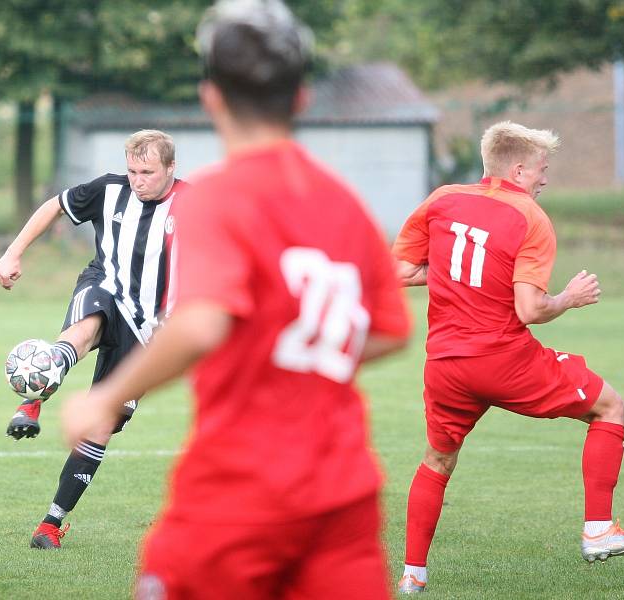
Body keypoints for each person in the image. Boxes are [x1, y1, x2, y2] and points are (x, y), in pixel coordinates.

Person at [61, 0, 412, 598]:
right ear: (302, 99)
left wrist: (106, 399)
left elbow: (201, 324)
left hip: (239, 486)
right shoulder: (343, 200)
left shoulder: (218, 197)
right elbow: (390, 329)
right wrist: (298, 350)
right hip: (343, 489)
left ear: (212, 98)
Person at [392, 121, 624, 594]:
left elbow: (400, 270)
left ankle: (412, 576)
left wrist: (451, 277)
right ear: (520, 169)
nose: (545, 179)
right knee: (610, 406)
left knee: (438, 461)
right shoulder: (530, 217)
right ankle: (599, 529)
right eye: (543, 170)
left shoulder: (442, 198)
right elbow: (531, 309)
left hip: (445, 364)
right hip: (504, 359)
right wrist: (570, 297)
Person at [0, 129, 187, 549]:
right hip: (106, 286)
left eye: (148, 172)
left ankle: (50, 525)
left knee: (100, 425)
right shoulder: (109, 189)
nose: (138, 180)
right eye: (133, 170)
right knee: (85, 328)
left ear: (171, 168)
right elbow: (54, 206)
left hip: (149, 329)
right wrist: (13, 252)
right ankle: (32, 400)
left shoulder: (195, 206)